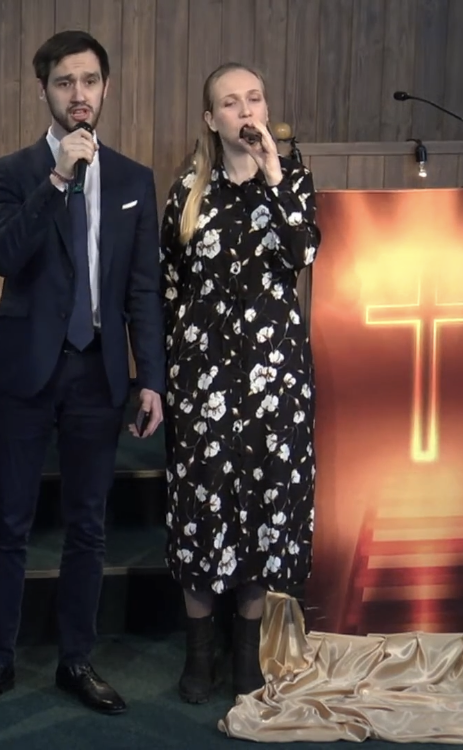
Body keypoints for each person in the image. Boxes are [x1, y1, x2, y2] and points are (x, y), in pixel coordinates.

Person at [0, 30, 165, 716]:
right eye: (66, 82)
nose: (80, 94)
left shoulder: (132, 179)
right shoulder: (12, 171)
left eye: (90, 81)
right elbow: (3, 255)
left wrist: (151, 377)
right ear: (43, 89)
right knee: (9, 522)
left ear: (106, 88)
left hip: (98, 371)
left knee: (88, 526)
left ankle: (77, 659)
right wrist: (57, 180)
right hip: (27, 368)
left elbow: (143, 287)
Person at [160, 62, 319, 704]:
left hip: (274, 378)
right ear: (211, 119)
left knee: (262, 508)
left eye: (254, 98)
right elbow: (170, 286)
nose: (246, 110)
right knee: (203, 508)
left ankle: (246, 655)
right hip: (203, 378)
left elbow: (304, 252)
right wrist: (167, 374)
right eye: (231, 102)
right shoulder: (188, 189)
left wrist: (273, 176)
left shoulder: (292, 178)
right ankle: (200, 656)